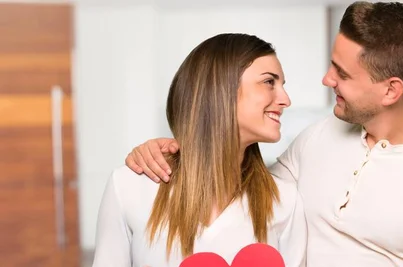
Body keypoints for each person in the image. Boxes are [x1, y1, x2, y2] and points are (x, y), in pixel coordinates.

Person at [124, 2, 403, 266]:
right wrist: (174, 150)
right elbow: (243, 192)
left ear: (391, 90)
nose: (326, 79)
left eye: (342, 73)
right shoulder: (320, 137)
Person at [92, 33, 306, 267]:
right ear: (221, 87)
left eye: (282, 85)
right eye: (269, 82)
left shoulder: (284, 201)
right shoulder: (128, 188)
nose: (285, 99)